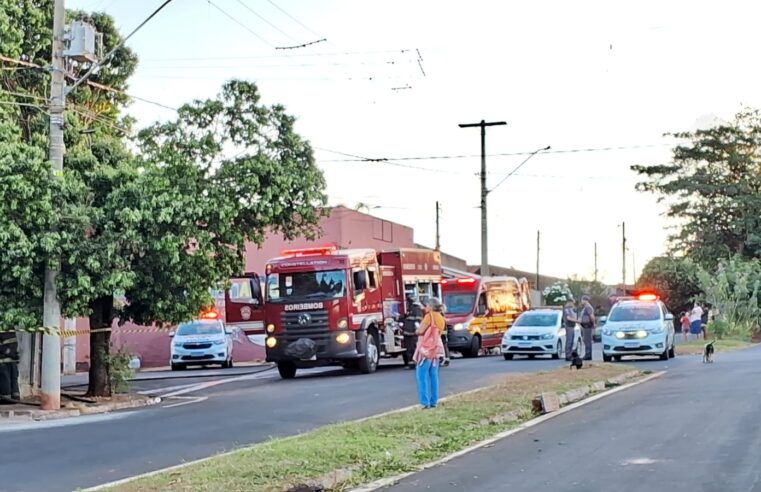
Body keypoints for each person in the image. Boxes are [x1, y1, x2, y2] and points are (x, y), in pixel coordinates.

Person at [414, 297, 446, 409]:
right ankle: (434, 401)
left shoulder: (429, 316)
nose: (425, 307)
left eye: (426, 305)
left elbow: (420, 331)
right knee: (434, 376)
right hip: (436, 348)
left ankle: (424, 402)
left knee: (421, 375)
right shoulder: (441, 318)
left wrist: (416, 330)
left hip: (426, 349)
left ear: (431, 307)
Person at [403, 295, 423, 370]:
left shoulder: (416, 309)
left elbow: (418, 320)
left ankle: (416, 363)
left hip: (413, 333)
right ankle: (411, 363)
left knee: (413, 348)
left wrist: (417, 331)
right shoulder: (409, 309)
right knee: (408, 349)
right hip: (407, 332)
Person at [0, 329, 20, 404]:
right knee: (13, 378)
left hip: (3, 360)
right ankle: (15, 397)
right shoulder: (11, 330)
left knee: (5, 379)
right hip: (12, 359)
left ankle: (6, 399)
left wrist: (10, 353)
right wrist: (13, 354)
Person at [579, 295, 596, 361]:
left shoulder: (588, 307)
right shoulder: (586, 307)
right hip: (585, 325)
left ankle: (588, 355)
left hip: (587, 325)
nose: (581, 301)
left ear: (585, 300)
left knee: (587, 340)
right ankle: (587, 354)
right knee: (586, 340)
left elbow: (591, 316)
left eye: (582, 300)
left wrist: (593, 323)